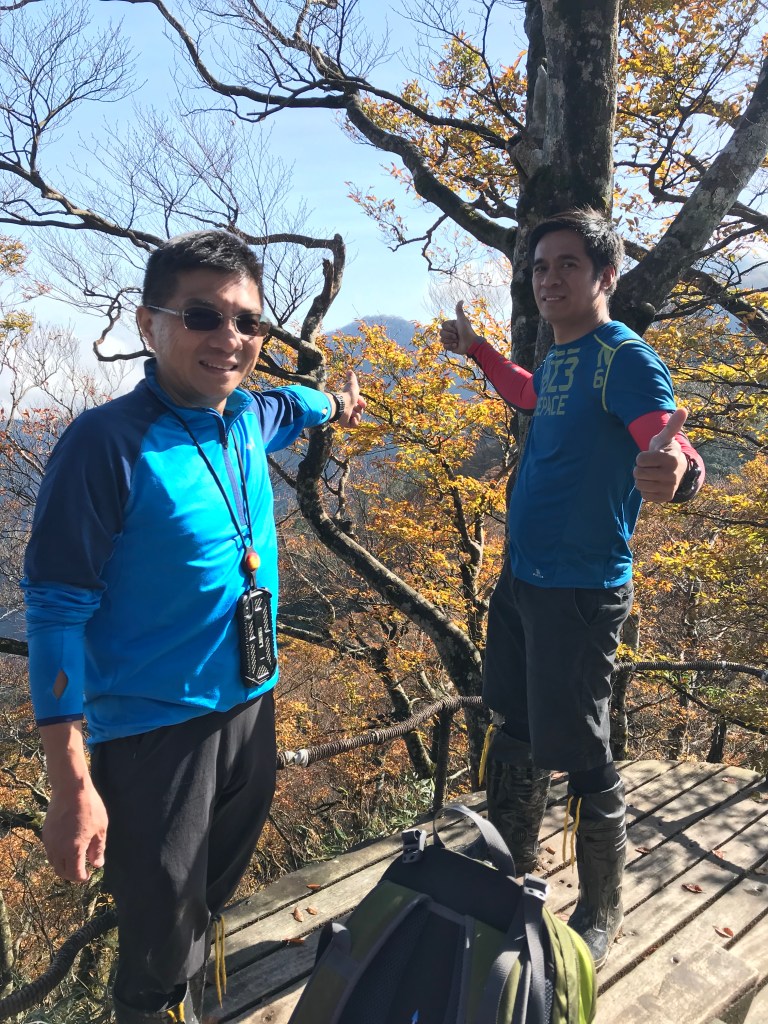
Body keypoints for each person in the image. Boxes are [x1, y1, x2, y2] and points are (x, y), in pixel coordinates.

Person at [22, 230, 365, 1024]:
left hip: (251, 700)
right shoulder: (105, 444)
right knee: (158, 935)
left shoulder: (246, 416)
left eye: (249, 322)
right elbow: (56, 610)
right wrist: (70, 783)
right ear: (150, 324)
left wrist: (339, 405)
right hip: (154, 731)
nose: (230, 338)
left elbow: (300, 405)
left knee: (208, 895)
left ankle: (190, 997)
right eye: (203, 316)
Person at [440, 207, 703, 969]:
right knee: (514, 723)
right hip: (523, 577)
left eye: (568, 265)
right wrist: (478, 349)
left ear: (605, 276)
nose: (549, 279)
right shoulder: (562, 355)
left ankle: (601, 906)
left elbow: (670, 441)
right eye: (539, 267)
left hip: (580, 591)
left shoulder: (625, 357)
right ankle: (510, 864)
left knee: (584, 750)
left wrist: (680, 472)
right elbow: (530, 395)